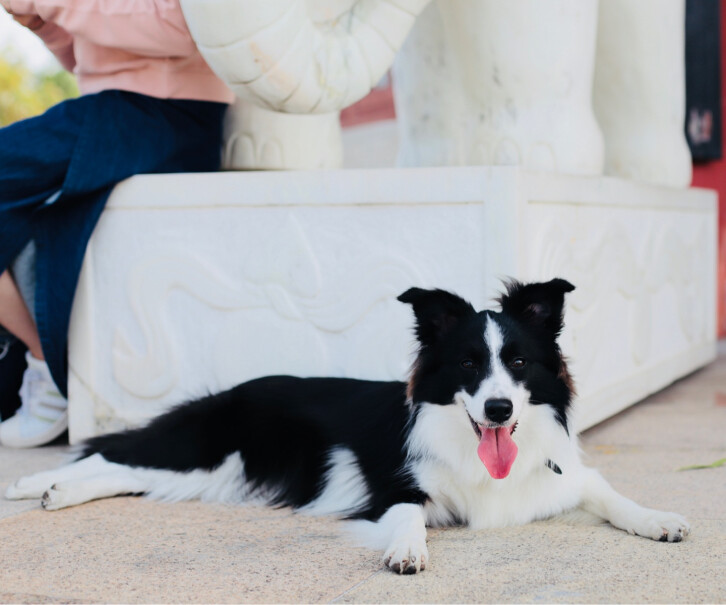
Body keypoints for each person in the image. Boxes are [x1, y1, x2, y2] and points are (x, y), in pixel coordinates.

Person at [0, 0, 234, 447]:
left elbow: (181, 28)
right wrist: (44, 27)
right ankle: (45, 358)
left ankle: (46, 367)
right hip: (110, 109)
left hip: (173, 113)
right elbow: (91, 59)